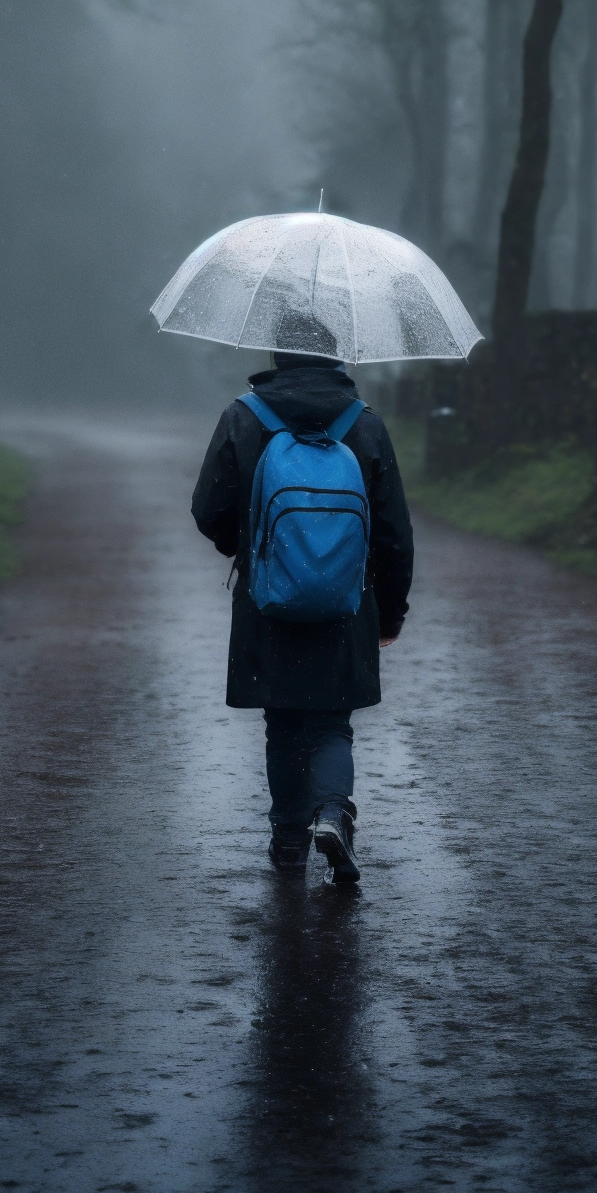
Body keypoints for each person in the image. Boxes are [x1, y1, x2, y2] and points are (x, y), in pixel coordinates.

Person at [190, 338, 414, 884]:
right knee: (333, 722)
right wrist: (390, 614)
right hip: (347, 603)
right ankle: (335, 812)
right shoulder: (364, 423)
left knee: (283, 720)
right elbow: (393, 532)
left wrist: (251, 551)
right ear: (337, 356)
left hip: (268, 600)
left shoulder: (244, 417)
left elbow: (207, 508)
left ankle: (289, 841)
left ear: (275, 355)